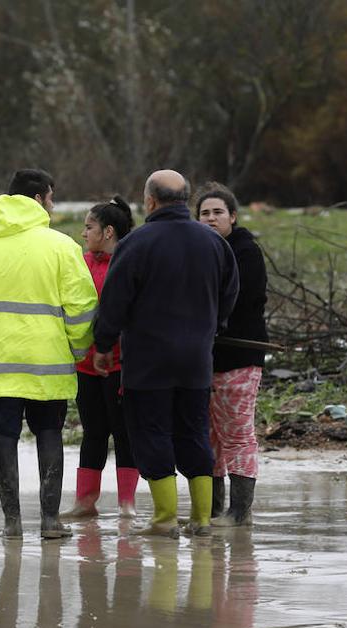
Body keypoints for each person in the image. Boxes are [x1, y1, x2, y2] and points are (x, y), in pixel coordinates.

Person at [0, 168, 99, 541]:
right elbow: (82, 308)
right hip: (47, 364)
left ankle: (12, 522)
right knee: (49, 433)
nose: (52, 205)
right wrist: (77, 348)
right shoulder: (62, 246)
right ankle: (50, 521)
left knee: (5, 438)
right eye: (50, 197)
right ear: (38, 198)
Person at [93, 170, 238, 538]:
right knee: (194, 433)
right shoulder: (214, 243)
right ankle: (202, 519)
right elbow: (229, 292)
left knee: (152, 433)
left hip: (148, 361)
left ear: (150, 202)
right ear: (187, 201)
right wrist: (213, 325)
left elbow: (114, 302)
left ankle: (165, 519)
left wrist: (104, 345)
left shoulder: (137, 243)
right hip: (196, 360)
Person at [196, 182, 268, 527]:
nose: (211, 219)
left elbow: (241, 300)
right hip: (203, 359)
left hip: (240, 356)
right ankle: (213, 509)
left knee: (237, 433)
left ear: (233, 217)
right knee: (208, 436)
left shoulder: (245, 251)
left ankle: (240, 512)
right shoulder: (198, 249)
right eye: (204, 213)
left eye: (217, 213)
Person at [65, 196, 138, 520]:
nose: (83, 233)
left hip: (123, 363)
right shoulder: (80, 262)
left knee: (125, 432)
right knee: (93, 431)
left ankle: (127, 505)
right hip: (85, 364)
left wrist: (111, 350)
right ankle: (85, 501)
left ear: (108, 231)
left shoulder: (130, 261)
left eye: (89, 226)